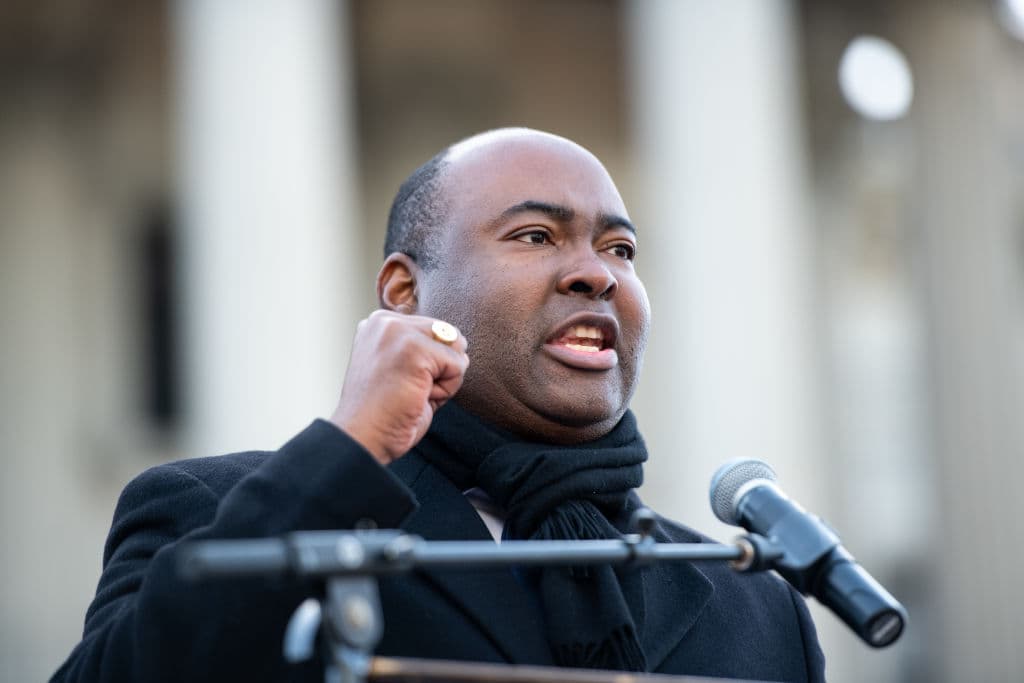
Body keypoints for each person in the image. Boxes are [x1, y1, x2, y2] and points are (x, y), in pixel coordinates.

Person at [53, 128, 825, 682]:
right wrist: (348, 449)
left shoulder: (755, 608)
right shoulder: (218, 513)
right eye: (535, 235)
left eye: (620, 249)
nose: (598, 274)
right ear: (404, 291)